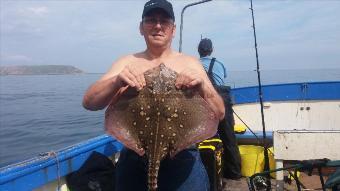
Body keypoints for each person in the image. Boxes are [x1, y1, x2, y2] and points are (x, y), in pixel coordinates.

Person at [82, 0, 225, 190]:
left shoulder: (190, 63)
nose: (158, 25)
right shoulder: (127, 62)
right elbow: (89, 102)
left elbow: (220, 114)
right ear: (141, 28)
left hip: (182, 157)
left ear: (173, 29)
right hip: (134, 159)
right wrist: (117, 81)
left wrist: (203, 88)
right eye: (151, 20)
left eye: (164, 21)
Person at [198, 38, 242, 179]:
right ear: (211, 50)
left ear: (199, 51)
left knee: (201, 138)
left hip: (203, 103)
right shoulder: (219, 63)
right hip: (222, 101)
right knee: (229, 137)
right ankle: (234, 173)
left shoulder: (194, 64)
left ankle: (207, 172)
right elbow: (222, 77)